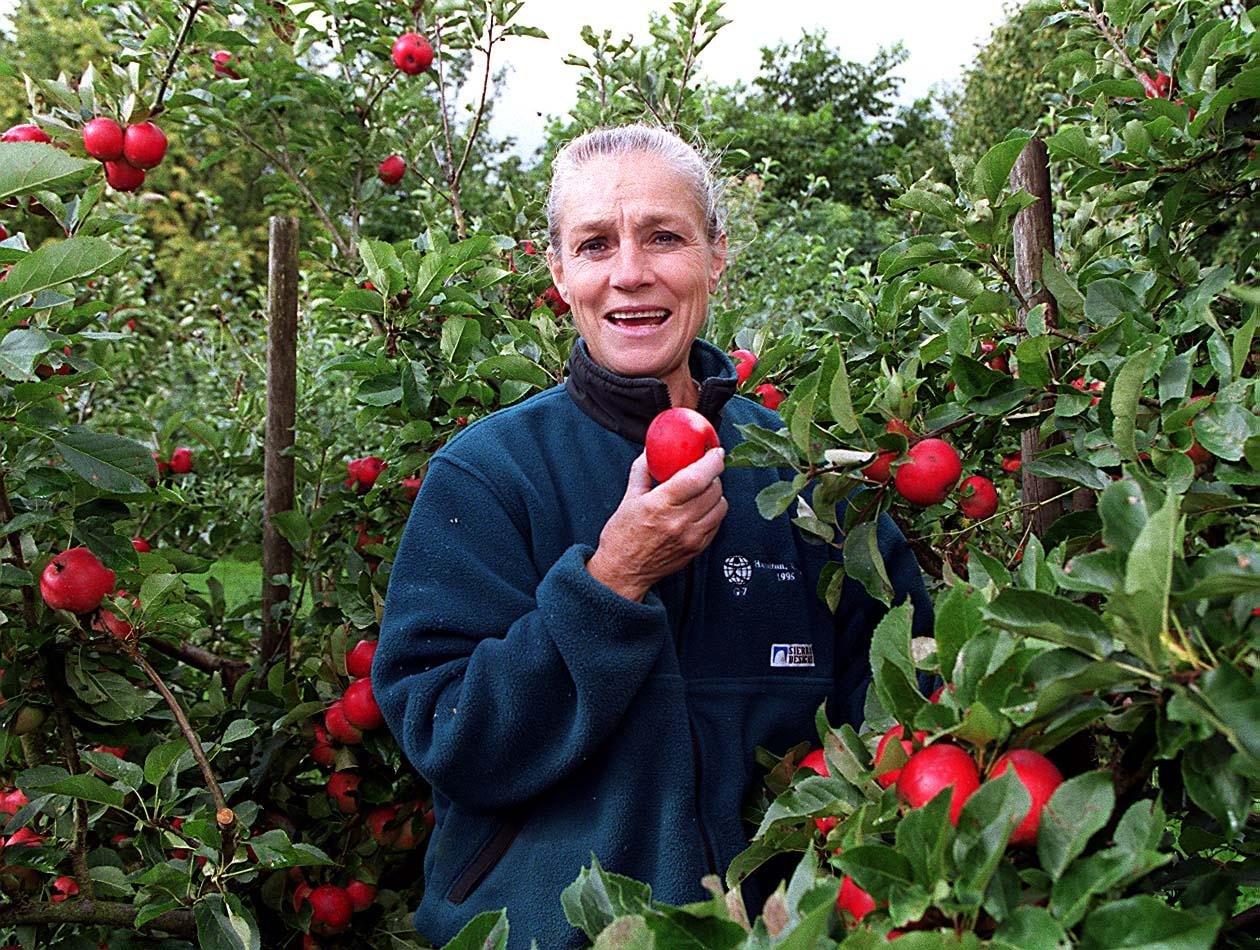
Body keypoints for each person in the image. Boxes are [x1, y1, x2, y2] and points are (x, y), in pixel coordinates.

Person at [372, 124, 931, 949]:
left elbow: (902, 715)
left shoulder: (806, 478)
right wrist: (611, 581)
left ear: (716, 255)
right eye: (595, 244)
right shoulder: (488, 477)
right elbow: (451, 734)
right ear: (559, 271)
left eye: (664, 237)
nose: (630, 273)